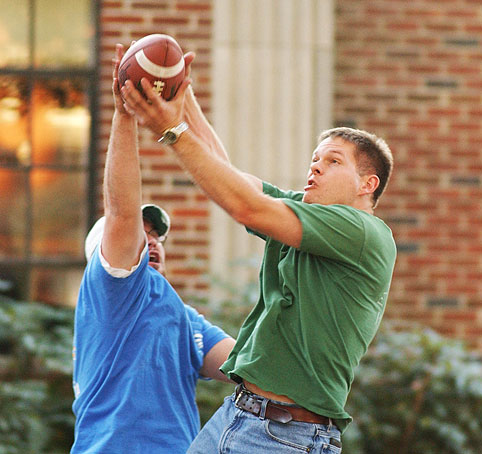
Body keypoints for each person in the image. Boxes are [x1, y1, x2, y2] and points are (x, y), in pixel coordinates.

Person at [119, 54, 397, 454]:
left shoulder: (365, 234)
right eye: (314, 159)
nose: (315, 168)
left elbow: (245, 206)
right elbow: (232, 180)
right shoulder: (304, 217)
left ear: (366, 184)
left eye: (333, 161)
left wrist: (171, 130)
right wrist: (185, 97)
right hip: (237, 415)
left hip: (287, 438)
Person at [70, 44, 235, 454]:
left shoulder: (182, 317)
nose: (152, 242)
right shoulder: (111, 291)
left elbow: (250, 367)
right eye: (143, 237)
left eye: (157, 235)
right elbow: (122, 213)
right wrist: (125, 115)